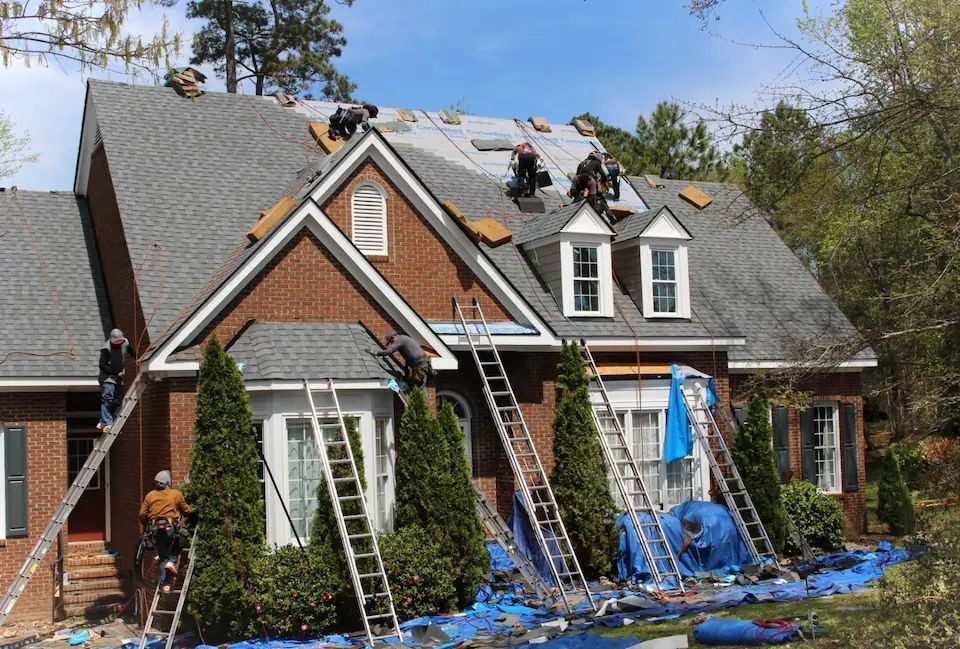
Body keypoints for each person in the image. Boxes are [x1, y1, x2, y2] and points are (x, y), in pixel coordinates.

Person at [139, 471, 192, 593]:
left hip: (155, 530)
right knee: (179, 543)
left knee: (162, 556)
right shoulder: (175, 494)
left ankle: (165, 585)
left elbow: (142, 514)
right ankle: (172, 561)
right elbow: (187, 510)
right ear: (168, 482)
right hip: (171, 528)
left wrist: (146, 524)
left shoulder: (150, 495)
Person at [97, 328, 135, 433]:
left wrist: (139, 357)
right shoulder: (106, 349)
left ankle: (103, 420)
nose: (118, 345)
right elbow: (102, 364)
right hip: (107, 378)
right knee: (107, 399)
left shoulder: (125, 342)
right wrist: (113, 372)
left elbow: (130, 351)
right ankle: (107, 422)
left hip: (118, 377)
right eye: (116, 343)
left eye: (120, 343)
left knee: (118, 400)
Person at [368, 331, 434, 387]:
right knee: (412, 384)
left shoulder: (400, 339)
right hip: (421, 363)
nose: (391, 343)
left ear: (393, 337)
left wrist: (376, 353)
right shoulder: (404, 339)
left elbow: (388, 351)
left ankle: (420, 401)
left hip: (421, 364)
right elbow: (409, 358)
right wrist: (406, 374)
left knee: (418, 386)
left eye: (391, 342)